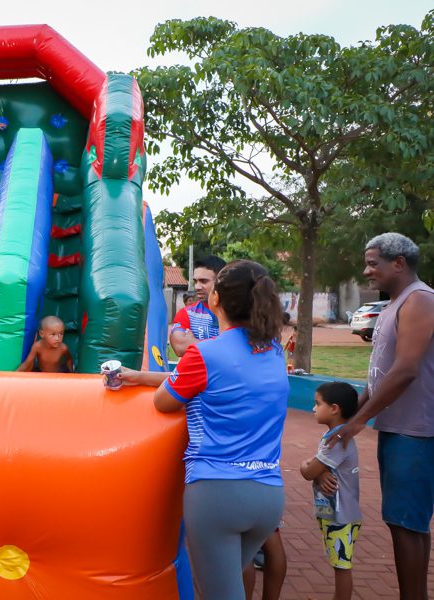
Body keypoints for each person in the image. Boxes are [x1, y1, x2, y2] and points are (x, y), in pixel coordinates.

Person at [121, 260, 288, 599]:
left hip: (217, 494)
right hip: (268, 494)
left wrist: (149, 382)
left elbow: (164, 402)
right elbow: (217, 380)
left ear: (215, 300)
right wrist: (139, 375)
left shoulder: (204, 353)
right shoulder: (273, 351)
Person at [331, 232, 433, 599]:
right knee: (405, 524)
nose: (367, 270)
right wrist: (351, 412)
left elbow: (406, 370)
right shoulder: (394, 304)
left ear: (399, 263)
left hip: (415, 433)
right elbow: (380, 373)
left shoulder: (420, 300)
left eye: (373, 263)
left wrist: (358, 423)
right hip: (398, 429)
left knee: (406, 524)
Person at [301, 382, 362, 600]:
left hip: (341, 516)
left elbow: (308, 471)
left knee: (341, 565)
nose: (314, 408)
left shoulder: (336, 441)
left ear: (334, 408)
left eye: (318, 404)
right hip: (338, 513)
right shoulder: (336, 436)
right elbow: (314, 468)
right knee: (339, 562)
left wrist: (312, 469)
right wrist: (316, 469)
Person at [169, 255, 226, 357]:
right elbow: (179, 347)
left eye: (204, 281)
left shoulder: (236, 311)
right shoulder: (186, 313)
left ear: (221, 281)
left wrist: (194, 342)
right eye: (195, 281)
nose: (197, 287)